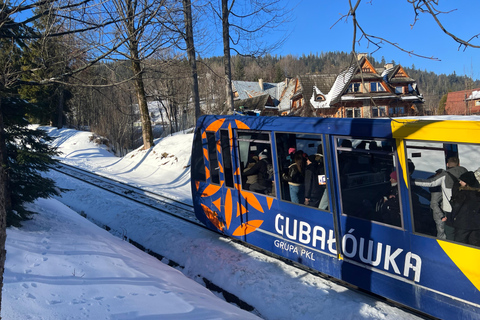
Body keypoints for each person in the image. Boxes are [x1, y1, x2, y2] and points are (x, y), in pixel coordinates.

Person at [413, 157, 467, 240]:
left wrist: (411, 181)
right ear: (459, 164)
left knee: (449, 234)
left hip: (450, 211)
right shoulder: (466, 173)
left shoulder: (445, 175)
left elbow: (431, 183)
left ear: (447, 165)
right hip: (464, 209)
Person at [451, 171, 480, 247]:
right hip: (476, 225)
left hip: (463, 224)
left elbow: (456, 207)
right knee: (475, 245)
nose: (460, 182)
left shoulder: (462, 194)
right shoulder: (478, 194)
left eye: (462, 181)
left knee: (460, 245)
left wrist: (452, 218)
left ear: (467, 182)